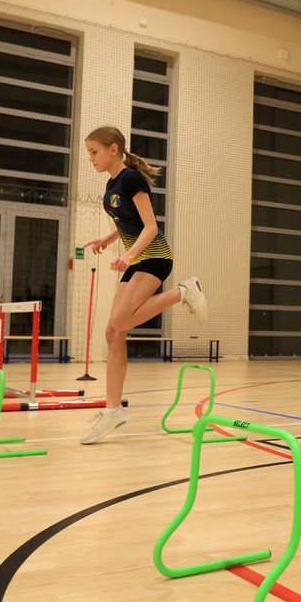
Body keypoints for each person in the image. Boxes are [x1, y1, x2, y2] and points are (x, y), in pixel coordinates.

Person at [80, 126, 207, 445]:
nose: (90, 158)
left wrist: (128, 255)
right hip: (137, 261)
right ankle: (113, 411)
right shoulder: (111, 183)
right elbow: (128, 221)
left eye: (94, 152)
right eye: (88, 153)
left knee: (120, 321)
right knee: (113, 332)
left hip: (154, 258)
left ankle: (182, 292)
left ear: (113, 149)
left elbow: (150, 227)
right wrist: (109, 238)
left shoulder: (131, 179)